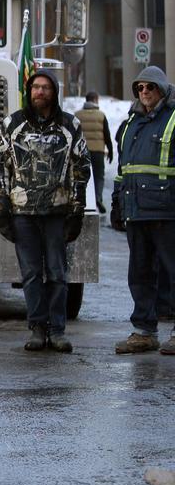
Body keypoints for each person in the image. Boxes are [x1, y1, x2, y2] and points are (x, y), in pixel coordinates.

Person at [0, 69, 91, 353]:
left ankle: (57, 330)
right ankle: (37, 328)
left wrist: (77, 211)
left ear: (54, 92)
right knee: (32, 274)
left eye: (46, 88)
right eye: (36, 87)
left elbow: (81, 168)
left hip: (58, 213)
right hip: (23, 213)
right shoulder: (13, 124)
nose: (40, 92)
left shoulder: (69, 125)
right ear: (29, 90)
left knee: (58, 274)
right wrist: (2, 210)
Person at [109, 65, 175, 356]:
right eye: (140, 88)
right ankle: (144, 331)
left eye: (149, 87)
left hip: (166, 211)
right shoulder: (130, 124)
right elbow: (124, 169)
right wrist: (116, 202)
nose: (144, 92)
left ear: (161, 89)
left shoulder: (172, 119)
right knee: (139, 273)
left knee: (172, 274)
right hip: (136, 211)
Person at [74, 91, 113, 213]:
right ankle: (98, 198)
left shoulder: (77, 115)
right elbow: (106, 135)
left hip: (82, 151)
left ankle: (84, 200)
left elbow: (73, 134)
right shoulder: (101, 115)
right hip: (98, 151)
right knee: (99, 176)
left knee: (81, 176)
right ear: (95, 100)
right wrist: (110, 150)